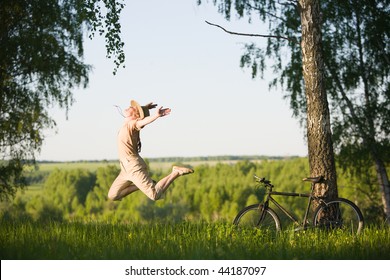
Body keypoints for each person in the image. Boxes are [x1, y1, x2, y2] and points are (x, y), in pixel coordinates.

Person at [108, 100, 194, 201]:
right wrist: (145, 108)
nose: (129, 107)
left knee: (154, 195)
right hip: (125, 169)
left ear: (135, 115)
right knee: (113, 195)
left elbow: (143, 121)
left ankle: (175, 173)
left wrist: (156, 115)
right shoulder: (127, 124)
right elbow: (141, 117)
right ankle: (140, 185)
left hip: (134, 168)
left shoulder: (132, 124)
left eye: (133, 108)